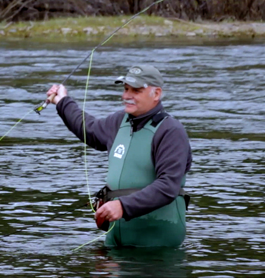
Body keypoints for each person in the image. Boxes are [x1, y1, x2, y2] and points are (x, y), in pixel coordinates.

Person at [46, 64, 192, 248]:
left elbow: (168, 186)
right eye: (125, 89)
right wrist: (62, 101)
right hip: (116, 239)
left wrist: (123, 206)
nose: (126, 96)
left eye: (136, 90)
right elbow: (88, 128)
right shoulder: (118, 121)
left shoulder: (171, 131)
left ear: (156, 94)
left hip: (157, 246)